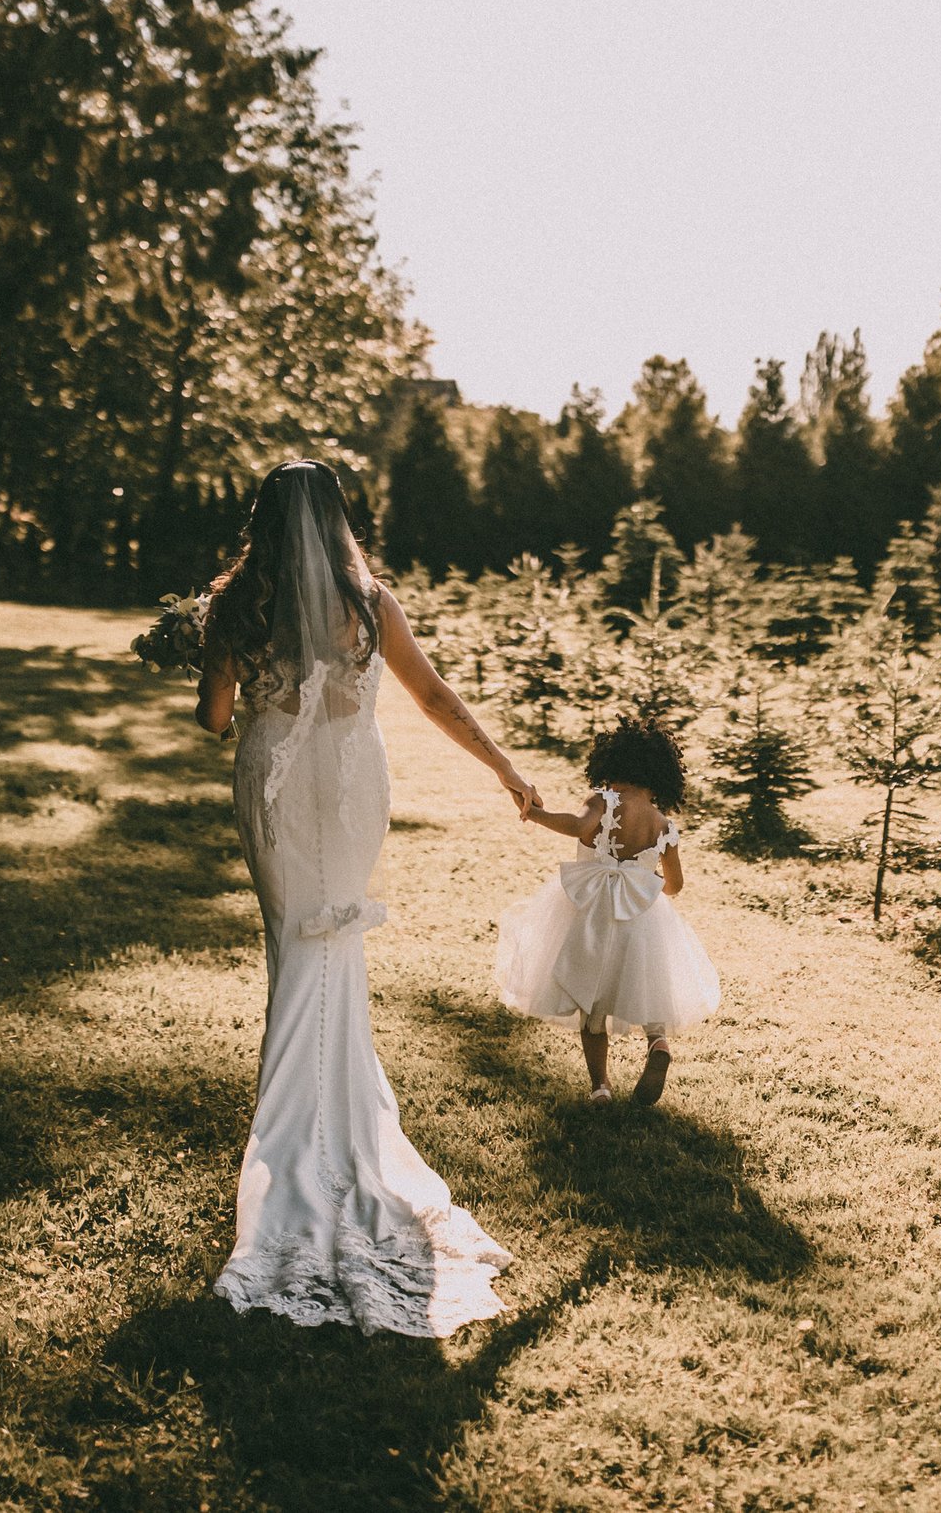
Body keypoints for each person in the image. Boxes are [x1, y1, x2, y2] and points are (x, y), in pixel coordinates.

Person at [193, 460, 538, 1336]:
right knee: (332, 954)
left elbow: (213, 717)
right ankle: (331, 1149)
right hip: (351, 791)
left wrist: (206, 650)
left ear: (264, 519)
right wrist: (502, 765)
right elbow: (431, 694)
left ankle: (295, 1169)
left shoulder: (236, 602)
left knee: (294, 956)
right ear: (337, 517)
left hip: (274, 786)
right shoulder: (371, 603)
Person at [495, 716, 721, 1105]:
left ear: (611, 764)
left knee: (592, 997)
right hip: (640, 915)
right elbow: (676, 885)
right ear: (660, 773)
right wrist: (640, 884)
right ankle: (658, 1041)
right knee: (645, 980)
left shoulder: (603, 800)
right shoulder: (663, 824)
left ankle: (600, 1086)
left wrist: (534, 813)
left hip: (591, 911)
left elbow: (576, 825)